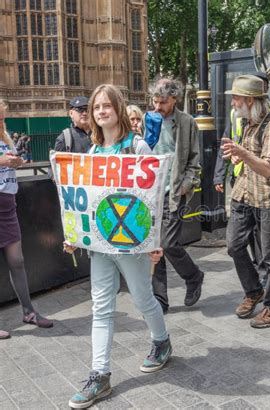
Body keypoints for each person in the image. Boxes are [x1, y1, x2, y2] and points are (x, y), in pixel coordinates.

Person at [63, 85, 171, 409]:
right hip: (99, 244)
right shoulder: (93, 152)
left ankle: (162, 343)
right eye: (97, 107)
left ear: (119, 109)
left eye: (107, 106)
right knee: (101, 308)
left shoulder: (136, 146)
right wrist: (75, 234)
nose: (100, 112)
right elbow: (82, 198)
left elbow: (153, 194)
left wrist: (155, 240)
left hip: (130, 243)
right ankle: (100, 374)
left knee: (142, 298)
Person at [222, 74, 270, 328]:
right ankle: (253, 291)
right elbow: (250, 157)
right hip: (243, 194)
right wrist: (237, 156)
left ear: (250, 100)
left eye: (236, 98)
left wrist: (243, 153)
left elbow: (269, 169)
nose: (232, 104)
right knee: (234, 245)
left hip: (267, 198)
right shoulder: (248, 122)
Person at [0, 99, 53, 340]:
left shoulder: (5, 137)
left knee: (17, 261)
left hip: (8, 205)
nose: (1, 122)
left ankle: (28, 312)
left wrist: (17, 162)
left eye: (2, 118)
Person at [149, 78, 204, 313]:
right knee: (154, 246)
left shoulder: (187, 122)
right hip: (150, 191)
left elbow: (195, 159)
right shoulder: (147, 119)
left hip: (175, 192)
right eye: (155, 101)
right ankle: (160, 299)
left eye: (163, 102)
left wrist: (186, 184)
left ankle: (193, 276)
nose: (158, 106)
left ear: (175, 99)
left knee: (168, 244)